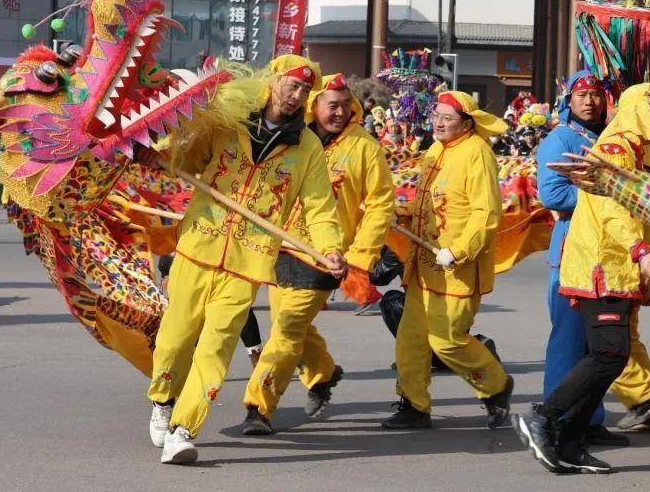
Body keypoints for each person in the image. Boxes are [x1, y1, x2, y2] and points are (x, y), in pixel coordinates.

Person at [144, 55, 346, 465]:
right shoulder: (229, 119)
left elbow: (319, 205)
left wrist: (330, 247)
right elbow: (190, 158)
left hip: (248, 259)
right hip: (199, 244)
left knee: (217, 346)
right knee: (176, 338)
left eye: (305, 91)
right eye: (292, 85)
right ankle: (163, 400)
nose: (296, 96)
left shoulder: (306, 147)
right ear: (272, 80)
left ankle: (184, 429)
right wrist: (162, 156)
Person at [514, 83, 650, 475]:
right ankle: (546, 418)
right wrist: (639, 250)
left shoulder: (632, 149)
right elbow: (610, 208)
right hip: (599, 264)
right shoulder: (614, 148)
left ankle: (570, 442)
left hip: (617, 265)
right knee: (603, 352)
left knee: (609, 354)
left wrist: (649, 272)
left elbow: (641, 211)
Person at [239, 73, 394, 435]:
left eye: (345, 106)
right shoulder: (296, 137)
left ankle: (258, 407)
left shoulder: (365, 148)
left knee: (287, 330)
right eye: (332, 105)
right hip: (280, 247)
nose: (340, 113)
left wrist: (360, 255)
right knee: (290, 326)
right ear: (314, 106)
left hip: (326, 254)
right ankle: (323, 373)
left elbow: (380, 205)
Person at [382, 91, 514, 430]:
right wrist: (401, 213)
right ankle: (414, 405)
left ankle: (496, 386)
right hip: (423, 265)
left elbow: (487, 213)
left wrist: (458, 251)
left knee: (447, 341)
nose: (438, 123)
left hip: (457, 268)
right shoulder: (435, 150)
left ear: (467, 124)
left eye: (447, 118)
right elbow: (427, 201)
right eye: (436, 116)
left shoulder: (477, 152)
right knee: (410, 341)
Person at [534, 70, 629, 446]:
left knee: (597, 346)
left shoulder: (607, 137)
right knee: (569, 340)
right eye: (581, 95)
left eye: (596, 95)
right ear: (568, 101)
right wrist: (608, 192)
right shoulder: (560, 139)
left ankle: (588, 420)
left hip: (605, 255)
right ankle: (557, 419)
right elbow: (552, 194)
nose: (589, 101)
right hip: (572, 252)